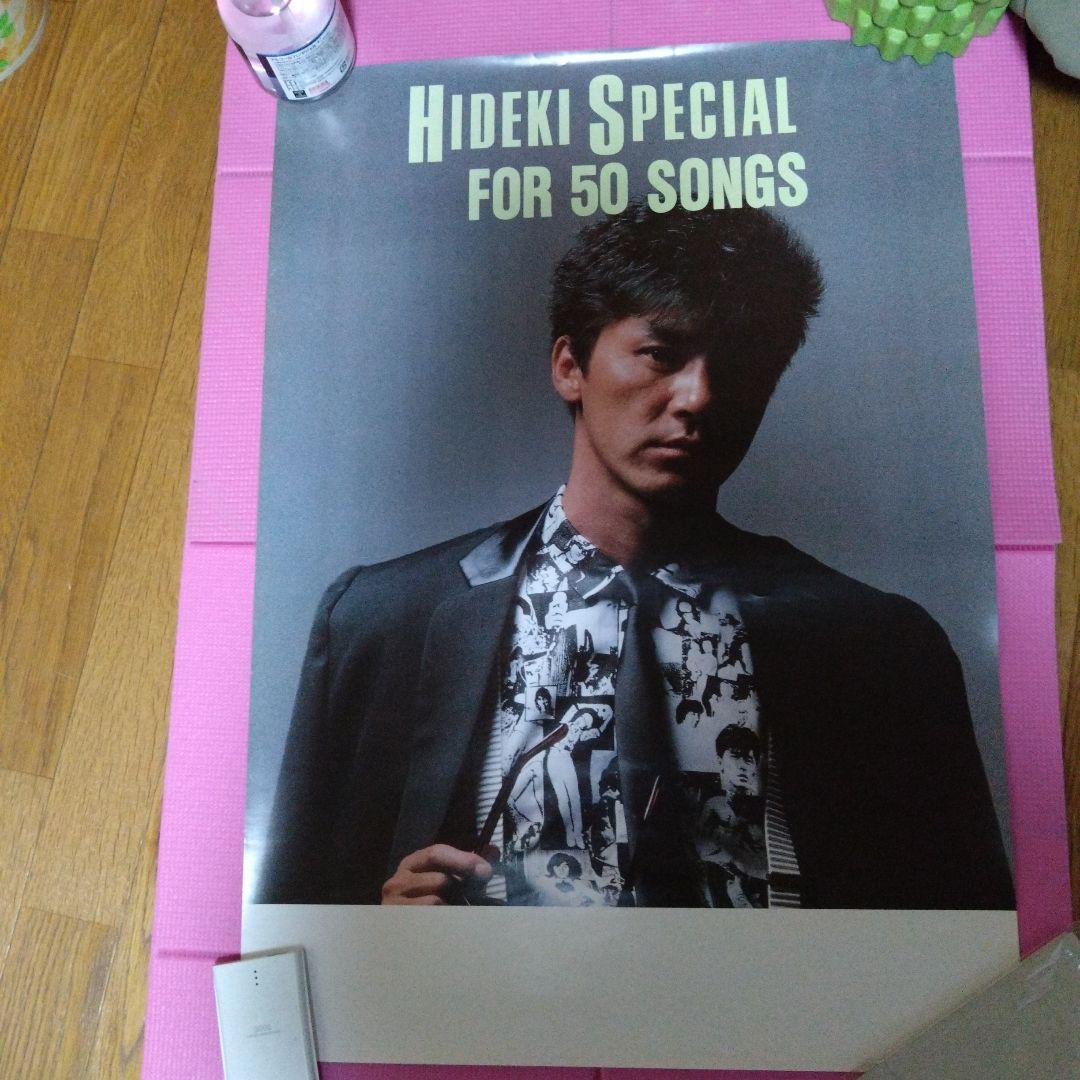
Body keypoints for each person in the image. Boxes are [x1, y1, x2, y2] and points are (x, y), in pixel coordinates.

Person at [256, 202, 1014, 911]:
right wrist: (378, 936)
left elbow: (965, 936)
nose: (698, 397)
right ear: (570, 366)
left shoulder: (883, 648)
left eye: (741, 364)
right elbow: (293, 923)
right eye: (659, 353)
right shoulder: (383, 622)